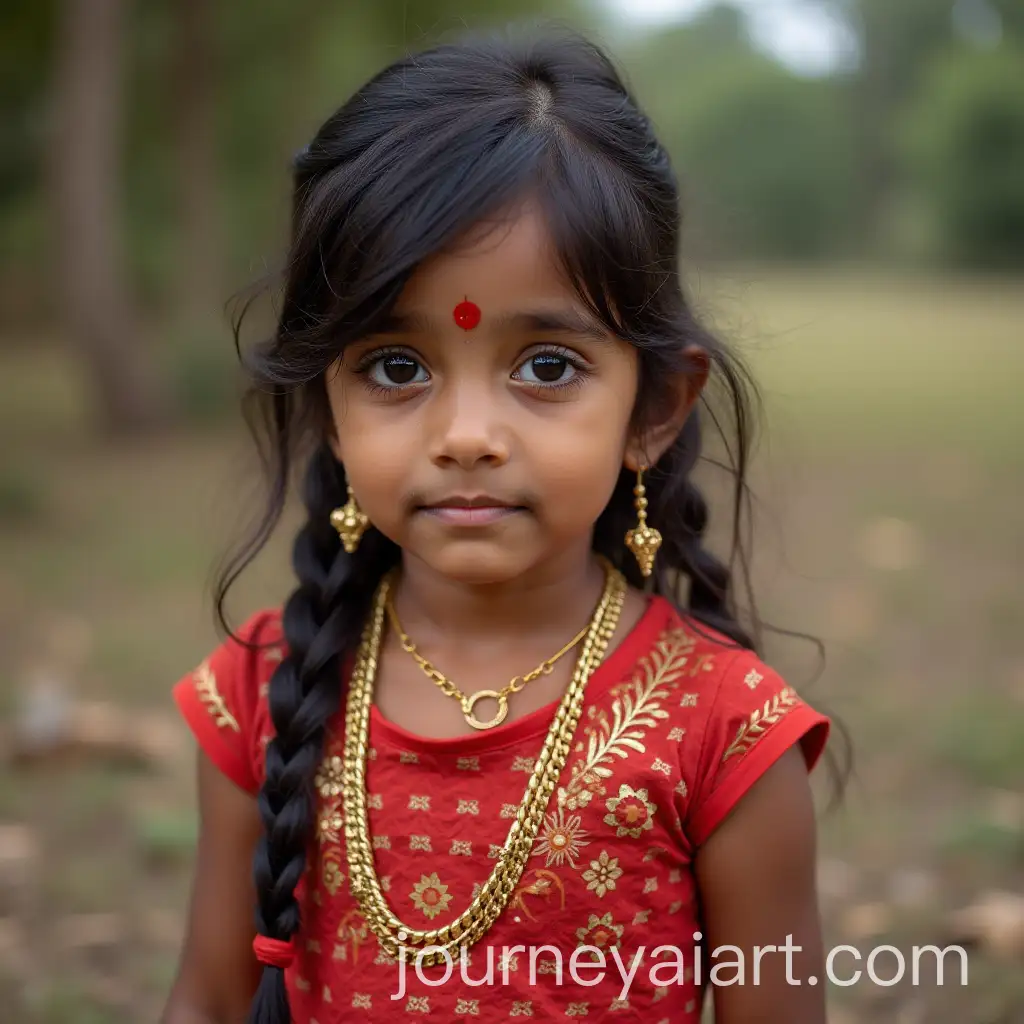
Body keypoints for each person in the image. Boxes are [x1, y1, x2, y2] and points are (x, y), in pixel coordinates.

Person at [161, 25, 838, 1024]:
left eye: (547, 367)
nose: (467, 435)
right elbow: (209, 1001)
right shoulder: (261, 696)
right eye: (396, 366)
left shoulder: (726, 734)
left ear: (653, 408)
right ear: (328, 409)